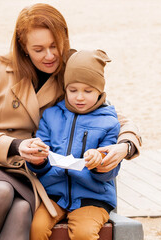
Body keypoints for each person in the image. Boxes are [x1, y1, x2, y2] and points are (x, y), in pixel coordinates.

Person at [0, 3, 142, 240]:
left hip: (27, 170)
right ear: (23, 47)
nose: (50, 55)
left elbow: (113, 117)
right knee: (0, 192)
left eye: (55, 45)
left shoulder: (69, 73)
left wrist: (124, 146)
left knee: (23, 209)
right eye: (39, 49)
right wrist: (15, 145)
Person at [28, 49, 121, 240]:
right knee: (35, 228)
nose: (79, 97)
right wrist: (38, 158)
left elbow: (111, 167)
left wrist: (99, 162)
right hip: (53, 194)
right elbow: (39, 159)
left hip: (93, 197)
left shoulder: (108, 122)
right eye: (73, 90)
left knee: (83, 234)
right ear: (65, 88)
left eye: (88, 91)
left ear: (100, 91)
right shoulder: (51, 115)